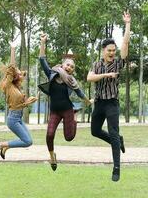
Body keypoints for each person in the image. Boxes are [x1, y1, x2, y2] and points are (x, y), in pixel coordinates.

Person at [87, 11, 131, 182]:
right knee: (95, 131)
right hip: (99, 103)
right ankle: (118, 140)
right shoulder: (96, 64)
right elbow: (89, 78)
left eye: (114, 50)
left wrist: (127, 24)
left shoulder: (119, 63)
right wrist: (106, 75)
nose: (112, 52)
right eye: (109, 50)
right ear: (103, 51)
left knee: (113, 133)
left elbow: (126, 43)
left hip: (112, 103)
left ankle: (117, 168)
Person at [39, 33, 93, 171]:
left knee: (69, 137)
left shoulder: (71, 81)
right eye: (67, 65)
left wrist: (88, 101)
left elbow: (79, 92)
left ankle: (73, 118)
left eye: (72, 67)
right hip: (54, 111)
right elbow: (42, 59)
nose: (69, 67)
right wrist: (43, 42)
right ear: (62, 65)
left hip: (67, 110)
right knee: (49, 134)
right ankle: (52, 157)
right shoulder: (52, 73)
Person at [0, 42, 38, 159]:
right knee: (27, 141)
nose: (17, 70)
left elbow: (19, 104)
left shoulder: (16, 87)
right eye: (16, 70)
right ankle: (1, 144)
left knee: (29, 140)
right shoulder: (8, 84)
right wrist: (13, 49)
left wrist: (29, 101)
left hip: (18, 118)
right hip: (13, 119)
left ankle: (5, 148)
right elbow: (12, 67)